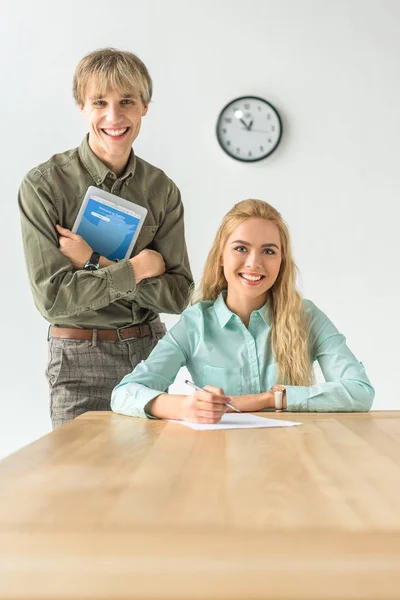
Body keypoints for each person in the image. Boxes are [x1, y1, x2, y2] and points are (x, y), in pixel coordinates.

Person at [18, 48, 193, 428]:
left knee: (151, 483)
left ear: (144, 106)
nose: (114, 117)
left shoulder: (162, 190)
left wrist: (98, 264)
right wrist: (139, 269)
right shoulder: (44, 186)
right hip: (78, 359)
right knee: (81, 484)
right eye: (100, 102)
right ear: (82, 107)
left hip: (149, 357)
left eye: (126, 101)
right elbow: (54, 299)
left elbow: (179, 294)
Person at [111, 199, 374, 423]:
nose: (254, 263)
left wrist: (269, 399)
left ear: (281, 262)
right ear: (222, 256)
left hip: (290, 458)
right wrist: (183, 407)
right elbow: (124, 393)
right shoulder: (196, 323)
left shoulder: (306, 316)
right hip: (219, 460)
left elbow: (360, 391)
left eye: (268, 251)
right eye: (241, 248)